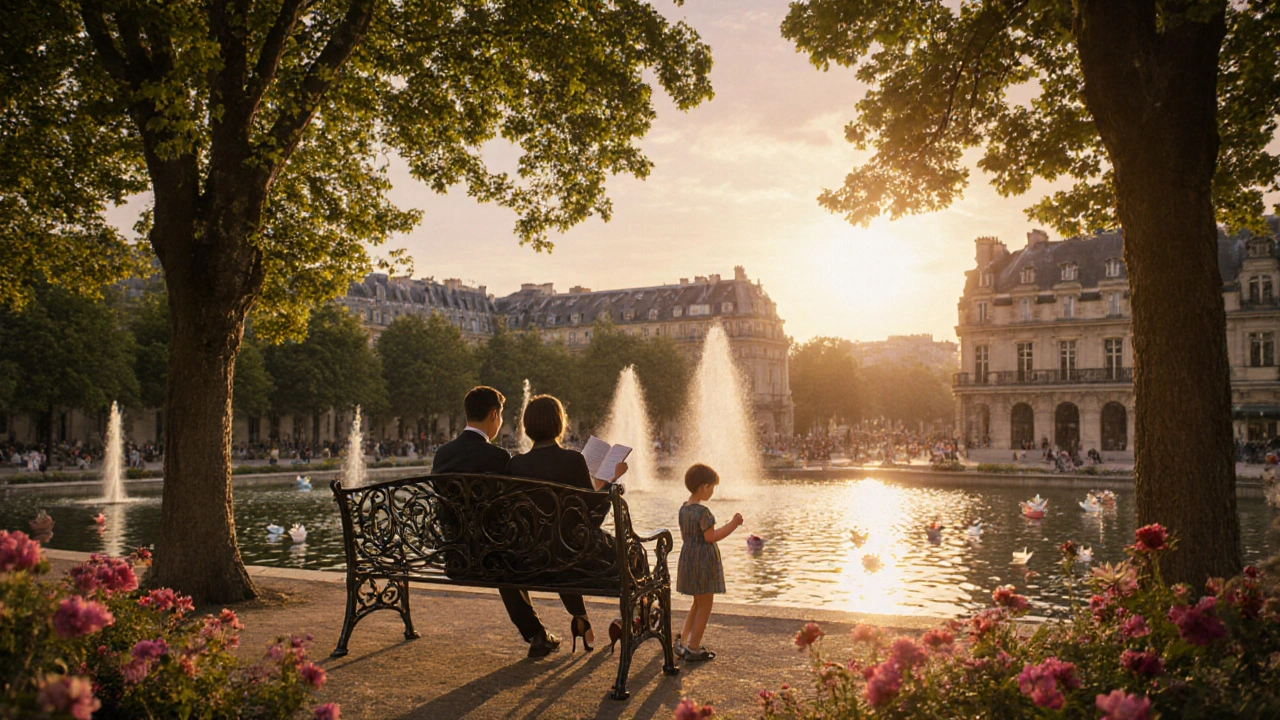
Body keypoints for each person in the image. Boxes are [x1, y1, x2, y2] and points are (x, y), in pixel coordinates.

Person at [431, 386, 568, 658]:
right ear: (494, 415)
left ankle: (537, 633)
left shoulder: (442, 454)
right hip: (491, 558)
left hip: (455, 556)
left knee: (498, 548)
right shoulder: (499, 458)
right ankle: (537, 634)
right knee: (504, 550)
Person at [505, 394, 629, 658]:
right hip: (571, 558)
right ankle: (630, 619)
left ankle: (581, 619)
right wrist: (609, 482)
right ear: (560, 423)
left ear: (527, 426)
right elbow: (591, 517)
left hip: (530, 560)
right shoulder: (573, 461)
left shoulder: (516, 464)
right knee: (633, 555)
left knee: (557, 541)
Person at [675, 463, 742, 662]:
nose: (713, 491)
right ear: (704, 487)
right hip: (703, 561)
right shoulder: (703, 512)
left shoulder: (684, 509)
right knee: (705, 605)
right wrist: (733, 524)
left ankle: (684, 640)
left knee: (697, 602)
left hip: (688, 557)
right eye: (712, 487)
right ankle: (694, 648)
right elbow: (711, 536)